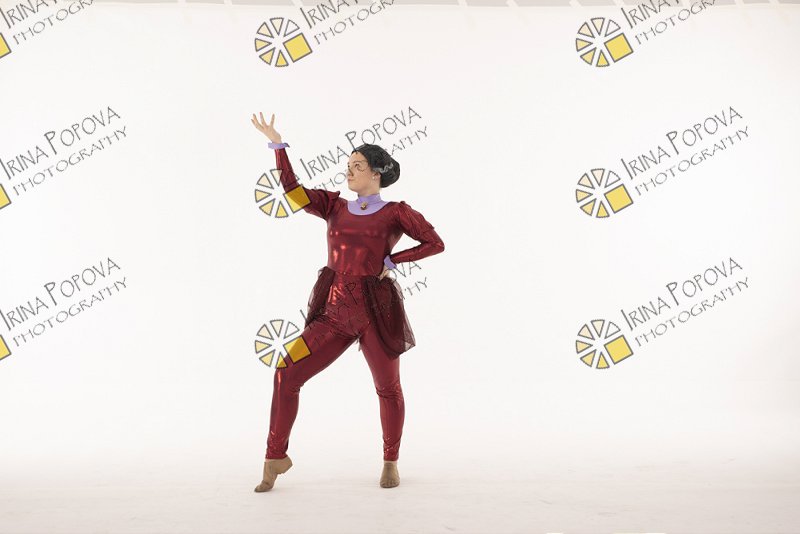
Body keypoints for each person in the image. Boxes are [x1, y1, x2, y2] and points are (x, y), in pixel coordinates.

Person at [250, 112, 445, 491]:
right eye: (348, 165)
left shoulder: (396, 212)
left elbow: (434, 243)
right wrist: (278, 145)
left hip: (376, 312)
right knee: (286, 372)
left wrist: (393, 260)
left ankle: (390, 461)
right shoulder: (334, 206)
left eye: (357, 166)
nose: (348, 172)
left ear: (377, 173)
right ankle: (275, 456)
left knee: (388, 388)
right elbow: (293, 191)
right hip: (334, 312)